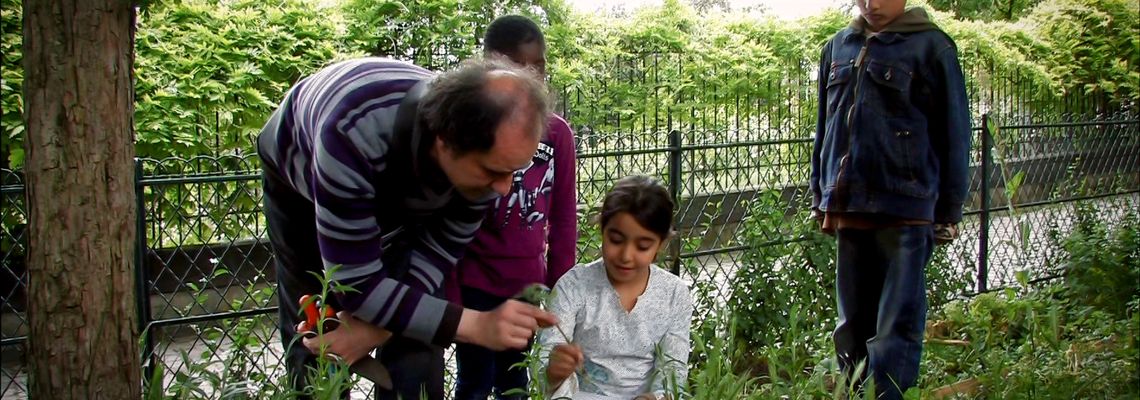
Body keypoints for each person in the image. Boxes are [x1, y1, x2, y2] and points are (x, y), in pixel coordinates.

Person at [257, 57, 559, 400]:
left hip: (405, 167)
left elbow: (436, 257)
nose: (505, 189)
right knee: (317, 332)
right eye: (494, 172)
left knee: (420, 334)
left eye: (513, 172)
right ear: (444, 141)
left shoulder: (483, 165)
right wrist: (477, 325)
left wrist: (375, 330)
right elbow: (352, 282)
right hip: (298, 177)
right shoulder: (350, 133)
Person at [811, 0, 971, 398]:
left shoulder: (932, 48)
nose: (872, 4)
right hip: (847, 203)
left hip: (906, 205)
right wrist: (821, 193)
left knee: (896, 324)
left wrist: (949, 209)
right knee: (851, 324)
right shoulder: (837, 47)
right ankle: (853, 393)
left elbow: (954, 134)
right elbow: (823, 128)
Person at [450, 15, 579, 400]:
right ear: (491, 64)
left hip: (526, 286)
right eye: (518, 67)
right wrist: (454, 298)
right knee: (473, 381)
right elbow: (451, 223)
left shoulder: (558, 135)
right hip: (476, 284)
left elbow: (563, 216)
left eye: (538, 67)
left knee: (515, 381)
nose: (531, 78)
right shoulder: (476, 128)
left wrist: (562, 285)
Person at [540, 175, 693, 400]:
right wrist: (554, 371)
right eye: (616, 240)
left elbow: (673, 369)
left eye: (642, 246)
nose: (626, 256)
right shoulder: (573, 287)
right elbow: (545, 358)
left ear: (661, 244)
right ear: (602, 230)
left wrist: (658, 397)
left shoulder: (674, 294)